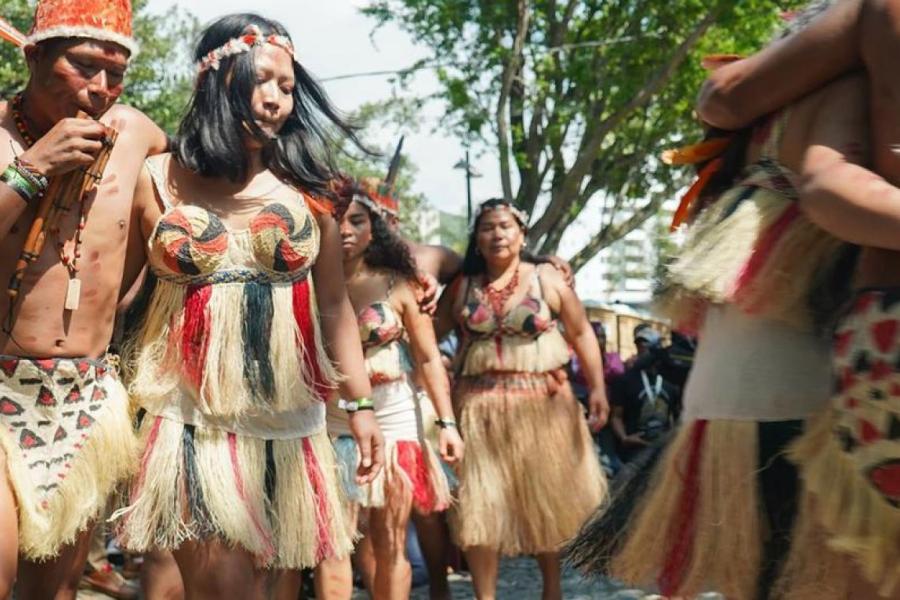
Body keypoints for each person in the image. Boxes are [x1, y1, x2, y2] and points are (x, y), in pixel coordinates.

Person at [568, 5, 864, 598]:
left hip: (759, 395)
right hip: (787, 402)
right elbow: (723, 95)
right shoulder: (851, 51)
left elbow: (722, 97)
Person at [112, 14, 384, 599]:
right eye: (263, 81)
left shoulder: (309, 194)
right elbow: (118, 294)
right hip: (189, 422)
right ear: (218, 76)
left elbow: (334, 309)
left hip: (287, 428)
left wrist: (360, 405)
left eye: (288, 88)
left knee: (260, 586)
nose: (277, 100)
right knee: (223, 588)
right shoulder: (156, 180)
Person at [0, 0, 169, 597]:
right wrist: (30, 169)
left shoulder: (137, 136)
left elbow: (191, 210)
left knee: (55, 593)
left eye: (116, 73)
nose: (101, 88)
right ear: (34, 54)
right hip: (0, 393)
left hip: (85, 398)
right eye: (84, 65)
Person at [434, 198, 608, 600]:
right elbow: (428, 334)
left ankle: (551, 591)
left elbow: (581, 332)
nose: (496, 234)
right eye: (487, 228)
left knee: (545, 504)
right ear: (476, 238)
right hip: (479, 410)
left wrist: (597, 388)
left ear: (521, 234)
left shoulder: (546, 277)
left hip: (543, 406)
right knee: (480, 508)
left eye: (505, 226)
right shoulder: (463, 286)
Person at [315, 178, 463, 599]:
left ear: (373, 229)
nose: (345, 230)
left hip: (396, 418)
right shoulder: (305, 283)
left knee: (390, 540)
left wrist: (447, 422)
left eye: (357, 221)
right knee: (333, 544)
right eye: (337, 220)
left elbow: (430, 357)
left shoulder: (398, 285)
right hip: (330, 418)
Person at [609, 328, 681, 463]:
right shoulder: (624, 380)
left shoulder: (670, 381)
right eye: (639, 345)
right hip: (632, 452)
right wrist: (624, 438)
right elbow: (616, 416)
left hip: (661, 452)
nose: (643, 349)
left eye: (647, 346)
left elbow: (675, 418)